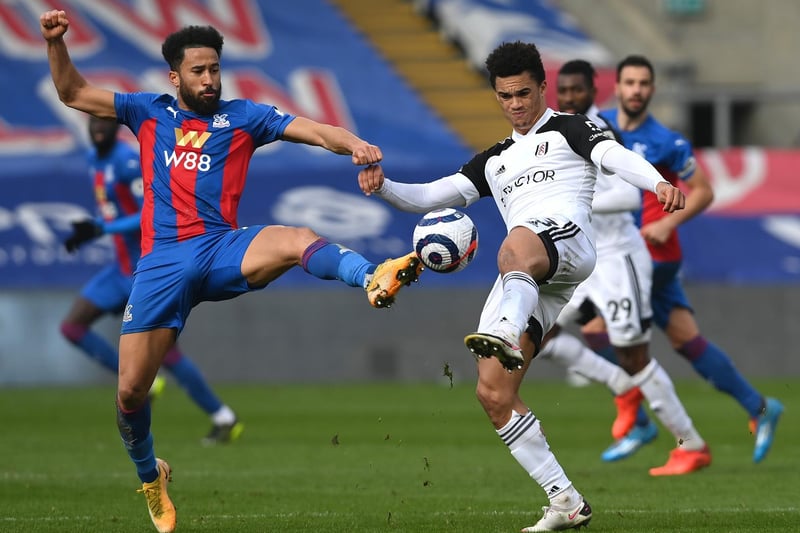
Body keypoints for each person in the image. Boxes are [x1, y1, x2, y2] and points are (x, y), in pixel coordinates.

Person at [40, 10, 423, 533]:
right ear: (174, 77)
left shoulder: (244, 116)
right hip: (160, 265)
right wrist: (56, 43)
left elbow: (310, 128)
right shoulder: (146, 111)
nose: (209, 79)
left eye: (215, 69)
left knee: (295, 239)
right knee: (130, 394)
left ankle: (372, 276)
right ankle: (152, 475)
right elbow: (72, 92)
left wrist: (353, 144)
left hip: (219, 247)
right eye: (198, 71)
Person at [359, 41, 685, 532]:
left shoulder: (570, 127)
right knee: (492, 391)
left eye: (523, 93)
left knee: (512, 247)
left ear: (541, 87)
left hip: (567, 243)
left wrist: (655, 181)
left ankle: (508, 331)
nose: (515, 104)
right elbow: (429, 196)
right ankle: (565, 501)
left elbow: (613, 155)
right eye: (505, 96)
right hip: (531, 279)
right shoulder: (494, 161)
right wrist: (383, 185)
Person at [596, 55, 783, 464]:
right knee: (686, 340)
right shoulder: (599, 125)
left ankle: (645, 421)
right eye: (629, 82)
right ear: (619, 85)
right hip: (621, 252)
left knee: (596, 327)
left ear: (652, 89)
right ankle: (760, 408)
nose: (636, 90)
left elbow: (703, 190)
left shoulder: (666, 141)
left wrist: (667, 224)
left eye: (644, 83)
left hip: (651, 252)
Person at [534, 59, 712, 474]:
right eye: (565, 90)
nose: (570, 97)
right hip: (582, 255)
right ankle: (621, 388)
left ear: (594, 91)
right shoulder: (554, 130)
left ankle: (691, 444)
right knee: (538, 332)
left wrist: (573, 202)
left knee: (635, 357)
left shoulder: (601, 133)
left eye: (578, 90)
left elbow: (630, 198)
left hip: (619, 258)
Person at [61, 115, 243, 446]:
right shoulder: (94, 159)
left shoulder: (128, 162)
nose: (99, 128)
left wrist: (103, 229)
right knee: (72, 326)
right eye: (94, 122)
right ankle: (144, 378)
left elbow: (149, 209)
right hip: (119, 270)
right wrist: (89, 233)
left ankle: (223, 416)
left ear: (118, 127)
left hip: (148, 272)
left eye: (106, 122)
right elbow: (115, 212)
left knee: (168, 352)